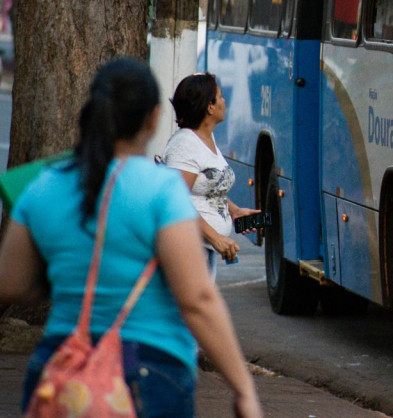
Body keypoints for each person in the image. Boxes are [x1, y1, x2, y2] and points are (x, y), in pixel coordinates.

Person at [0, 57, 262, 417]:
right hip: (149, 373)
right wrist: (243, 388)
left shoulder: (44, 185)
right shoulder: (162, 190)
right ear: (153, 118)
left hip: (58, 371)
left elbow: (12, 284)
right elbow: (197, 300)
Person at [162, 72, 258, 270]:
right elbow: (176, 201)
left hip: (204, 250)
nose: (224, 101)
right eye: (221, 96)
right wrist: (215, 238)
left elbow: (207, 185)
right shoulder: (185, 145)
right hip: (187, 250)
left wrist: (234, 211)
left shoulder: (206, 138)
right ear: (210, 106)